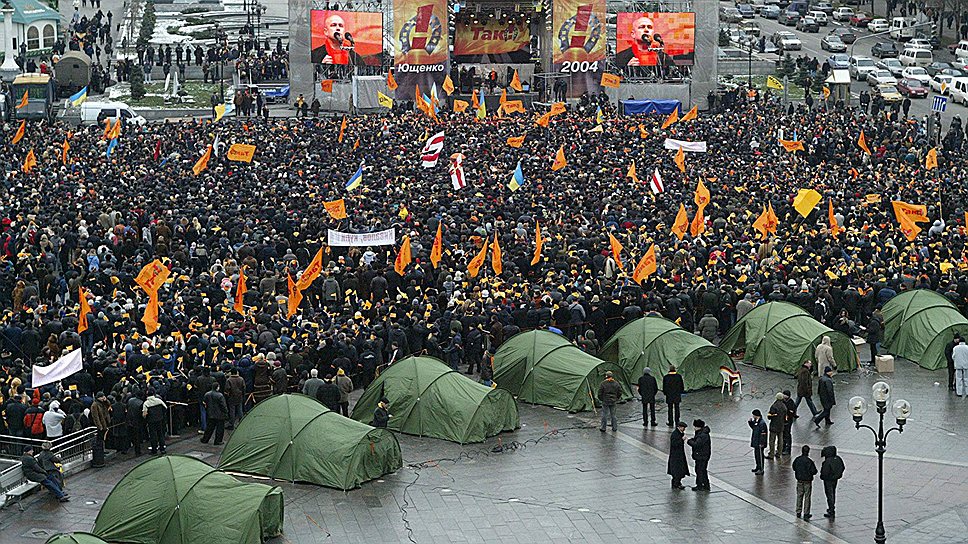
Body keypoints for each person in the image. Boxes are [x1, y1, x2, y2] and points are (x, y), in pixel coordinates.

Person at [792, 444, 818, 520]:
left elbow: (794, 467)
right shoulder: (809, 461)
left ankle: (798, 511)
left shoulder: (797, 459)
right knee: (807, 497)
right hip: (807, 481)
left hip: (799, 480)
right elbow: (814, 471)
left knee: (799, 495)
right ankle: (806, 513)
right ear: (808, 452)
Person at [820, 445, 845, 519]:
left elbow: (824, 472)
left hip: (828, 480)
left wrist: (823, 477)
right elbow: (842, 467)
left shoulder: (827, 461)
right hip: (835, 479)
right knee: (833, 493)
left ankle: (831, 509)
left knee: (829, 494)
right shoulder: (838, 459)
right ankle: (831, 507)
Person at [687, 419, 711, 491]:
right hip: (703, 455)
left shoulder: (702, 435)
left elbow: (696, 444)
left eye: (695, 426)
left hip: (701, 456)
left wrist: (689, 441)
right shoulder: (702, 433)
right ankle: (705, 485)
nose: (694, 428)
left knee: (699, 470)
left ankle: (700, 485)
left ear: (698, 427)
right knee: (702, 470)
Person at [143, 388, 168, 454]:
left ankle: (154, 450)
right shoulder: (158, 400)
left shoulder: (146, 403)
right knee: (160, 434)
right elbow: (165, 407)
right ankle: (162, 449)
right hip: (160, 419)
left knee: (153, 435)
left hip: (151, 421)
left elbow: (144, 414)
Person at [667, 421, 690, 489]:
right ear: (679, 427)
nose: (684, 429)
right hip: (676, 455)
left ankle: (678, 483)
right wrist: (681, 440)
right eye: (683, 428)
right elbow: (674, 444)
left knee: (680, 470)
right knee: (677, 470)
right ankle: (676, 484)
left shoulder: (680, 433)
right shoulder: (675, 434)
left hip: (679, 454)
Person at [767, 392, 788, 458]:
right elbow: (785, 417)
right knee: (780, 440)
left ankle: (771, 454)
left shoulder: (774, 406)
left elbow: (770, 416)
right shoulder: (784, 406)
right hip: (781, 425)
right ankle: (779, 453)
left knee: (772, 440)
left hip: (774, 425)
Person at [748, 409, 767, 475]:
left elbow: (763, 434)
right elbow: (753, 427)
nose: (753, 416)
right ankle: (757, 467)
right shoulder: (757, 421)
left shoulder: (762, 423)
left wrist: (761, 443)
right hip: (756, 442)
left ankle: (761, 469)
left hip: (759, 443)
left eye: (753, 415)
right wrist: (750, 422)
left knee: (760, 456)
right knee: (756, 456)